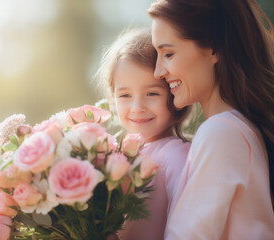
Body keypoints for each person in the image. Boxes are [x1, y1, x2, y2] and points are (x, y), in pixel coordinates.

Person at [147, 0, 274, 239]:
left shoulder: (222, 133)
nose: (158, 72)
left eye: (168, 54)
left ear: (214, 48)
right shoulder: (240, 130)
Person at [96, 27, 191, 240]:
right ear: (113, 98)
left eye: (152, 93)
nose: (137, 107)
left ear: (173, 93)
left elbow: (188, 228)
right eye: (125, 95)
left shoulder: (176, 156)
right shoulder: (115, 158)